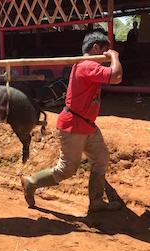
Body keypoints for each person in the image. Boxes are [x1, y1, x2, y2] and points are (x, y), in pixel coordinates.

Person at [21, 31, 123, 213]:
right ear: (96, 48)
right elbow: (116, 76)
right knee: (67, 170)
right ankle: (32, 182)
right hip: (74, 126)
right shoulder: (87, 65)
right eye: (105, 51)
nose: (107, 56)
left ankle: (96, 202)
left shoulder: (86, 65)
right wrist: (115, 56)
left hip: (87, 124)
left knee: (100, 159)